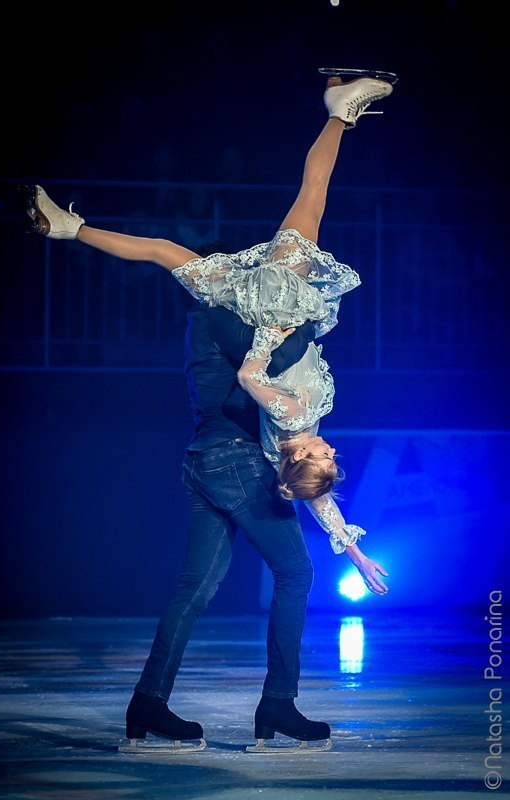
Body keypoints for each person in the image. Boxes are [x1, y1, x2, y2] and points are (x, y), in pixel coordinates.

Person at [26, 74, 391, 751]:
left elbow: (273, 417)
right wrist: (352, 544)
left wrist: (268, 352)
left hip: (257, 350)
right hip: (219, 440)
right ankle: (184, 707)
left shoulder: (286, 419)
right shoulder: (295, 430)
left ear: (297, 457)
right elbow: (310, 485)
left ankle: (338, 113)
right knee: (234, 582)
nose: (334, 451)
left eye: (324, 457)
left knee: (301, 210)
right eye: (329, 455)